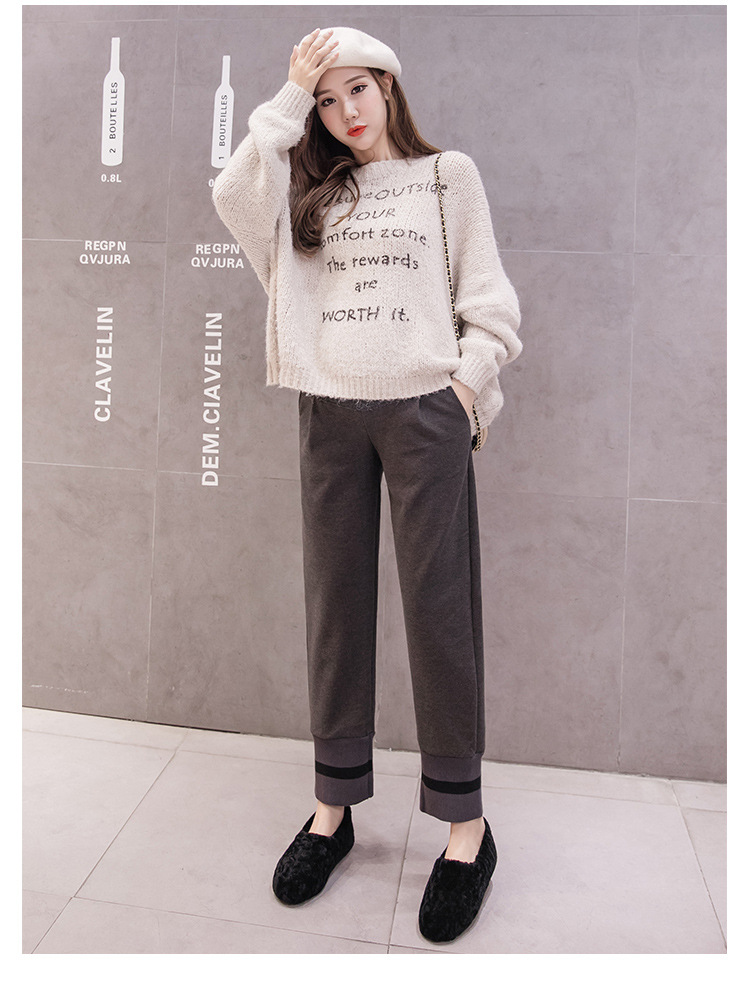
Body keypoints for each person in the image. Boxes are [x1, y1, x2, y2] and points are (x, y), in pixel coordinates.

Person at [212, 25, 522, 944]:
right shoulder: (308, 194)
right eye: (326, 99)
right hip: (329, 410)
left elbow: (489, 301)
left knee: (440, 609)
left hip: (425, 410)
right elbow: (232, 195)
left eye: (357, 89)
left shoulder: (446, 178)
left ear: (388, 86)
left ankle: (465, 828)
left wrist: (464, 388)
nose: (345, 111)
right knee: (336, 612)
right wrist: (286, 95)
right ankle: (332, 810)